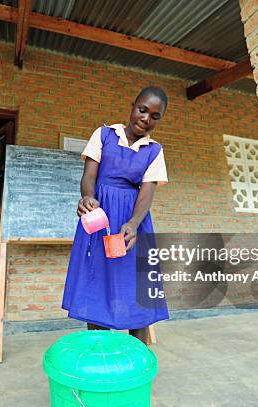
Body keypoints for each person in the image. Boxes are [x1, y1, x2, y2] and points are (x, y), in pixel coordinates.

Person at [62, 86, 170, 344]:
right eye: (142, 110)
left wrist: (133, 223)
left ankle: (138, 356)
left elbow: (147, 192)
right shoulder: (104, 135)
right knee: (97, 279)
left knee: (137, 287)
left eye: (155, 116)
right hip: (101, 218)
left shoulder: (154, 151)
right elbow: (89, 176)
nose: (146, 119)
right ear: (132, 106)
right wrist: (88, 198)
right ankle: (101, 353)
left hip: (133, 224)